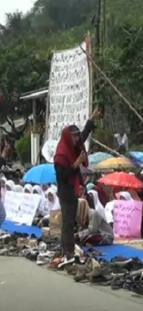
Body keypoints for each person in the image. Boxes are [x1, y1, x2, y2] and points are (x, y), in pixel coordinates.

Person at [54, 109, 100, 262]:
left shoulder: (72, 147)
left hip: (72, 188)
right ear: (68, 136)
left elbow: (84, 136)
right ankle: (68, 251)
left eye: (76, 135)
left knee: (70, 220)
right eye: (73, 135)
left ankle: (66, 248)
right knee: (68, 221)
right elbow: (62, 176)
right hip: (65, 190)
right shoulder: (61, 154)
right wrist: (76, 164)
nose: (76, 138)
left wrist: (91, 119)